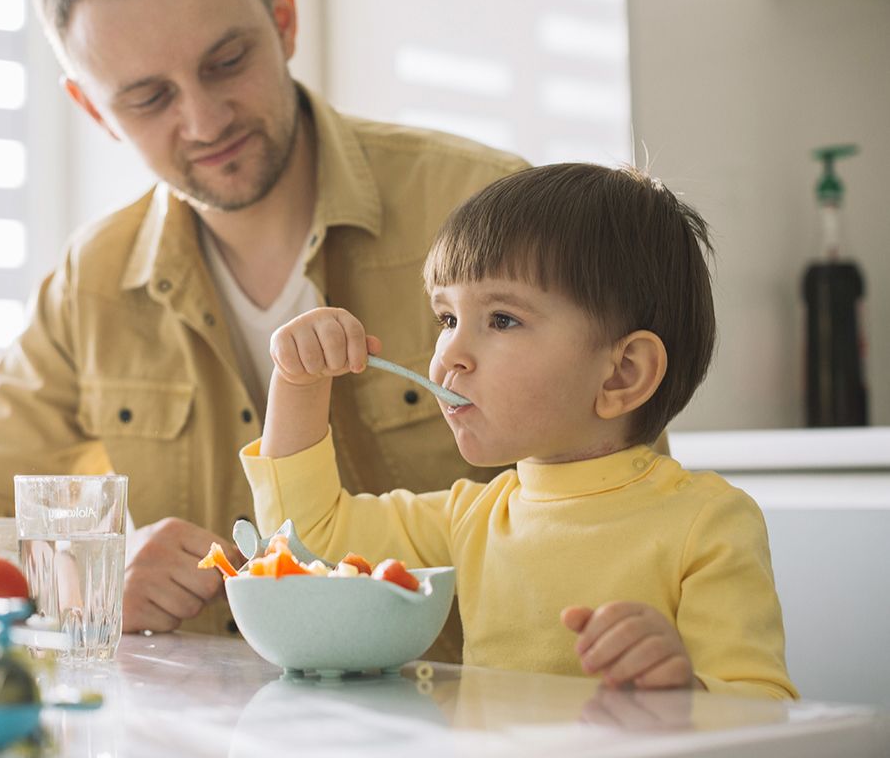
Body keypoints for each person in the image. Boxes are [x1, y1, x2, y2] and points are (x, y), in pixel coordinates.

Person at [0, 0, 528, 650]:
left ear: (283, 19)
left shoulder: (487, 210)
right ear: (93, 110)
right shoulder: (92, 283)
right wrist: (78, 577)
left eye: (227, 62)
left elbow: (620, 487)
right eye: (147, 98)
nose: (205, 121)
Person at [242, 163, 797, 699]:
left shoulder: (708, 525)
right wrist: (298, 383)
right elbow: (305, 539)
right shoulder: (472, 518)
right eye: (447, 319)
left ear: (623, 373)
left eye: (502, 319)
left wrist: (683, 692)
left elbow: (763, 709)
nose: (448, 355)